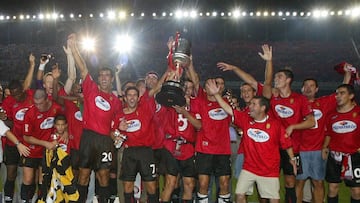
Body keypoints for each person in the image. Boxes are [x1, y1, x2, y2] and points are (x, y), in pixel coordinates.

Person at [207, 78, 296, 202]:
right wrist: (216, 94)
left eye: (254, 104)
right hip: (249, 168)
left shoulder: (275, 125)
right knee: (239, 195)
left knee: (273, 199)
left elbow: (287, 144)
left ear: (263, 108)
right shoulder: (246, 119)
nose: (250, 107)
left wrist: (292, 159)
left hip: (269, 170)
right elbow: (229, 110)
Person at [67, 33, 121, 203]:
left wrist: (119, 131)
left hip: (105, 141)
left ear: (112, 79)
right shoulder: (91, 90)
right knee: (83, 175)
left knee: (104, 175)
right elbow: (83, 68)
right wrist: (74, 47)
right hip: (88, 138)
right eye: (102, 75)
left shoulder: (116, 102)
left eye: (107, 75)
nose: (104, 78)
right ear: (98, 78)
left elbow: (117, 124)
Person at [262, 68, 315, 203]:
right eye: (275, 77)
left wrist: (293, 126)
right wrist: (269, 61)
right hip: (272, 148)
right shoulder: (272, 96)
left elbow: (311, 121)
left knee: (290, 182)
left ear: (288, 80)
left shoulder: (300, 99)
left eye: (279, 77)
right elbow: (267, 84)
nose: (276, 79)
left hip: (292, 148)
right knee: (267, 181)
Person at [111, 86, 158, 203]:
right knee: (127, 187)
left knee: (151, 187)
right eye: (129, 95)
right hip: (129, 152)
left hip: (146, 152)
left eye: (134, 95)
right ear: (125, 98)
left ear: (138, 98)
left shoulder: (145, 109)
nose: (132, 98)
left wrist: (169, 72)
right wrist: (118, 132)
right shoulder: (119, 115)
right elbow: (112, 132)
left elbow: (154, 89)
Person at [1, 54, 36, 203]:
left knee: (30, 175)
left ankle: (26, 199)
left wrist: (32, 64)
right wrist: (6, 119)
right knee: (11, 173)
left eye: (17, 93)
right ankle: (8, 198)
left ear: (23, 89)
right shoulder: (9, 101)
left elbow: (27, 81)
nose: (15, 96)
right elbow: (5, 125)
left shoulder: (29, 94)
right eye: (13, 94)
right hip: (13, 143)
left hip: (29, 142)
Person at [22, 89, 63, 202]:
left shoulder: (56, 108)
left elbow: (64, 122)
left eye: (40, 103)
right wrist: (45, 143)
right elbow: (26, 137)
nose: (38, 106)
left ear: (47, 99)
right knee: (28, 179)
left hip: (46, 152)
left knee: (43, 180)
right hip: (31, 150)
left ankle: (41, 200)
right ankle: (26, 200)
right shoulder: (30, 113)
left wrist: (66, 132)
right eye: (35, 103)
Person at [322, 84, 360, 203]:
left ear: (351, 96)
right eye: (337, 93)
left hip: (355, 156)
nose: (338, 96)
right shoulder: (331, 115)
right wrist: (324, 147)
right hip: (335, 156)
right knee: (333, 188)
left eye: (342, 93)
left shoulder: (358, 113)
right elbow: (328, 133)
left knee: (356, 191)